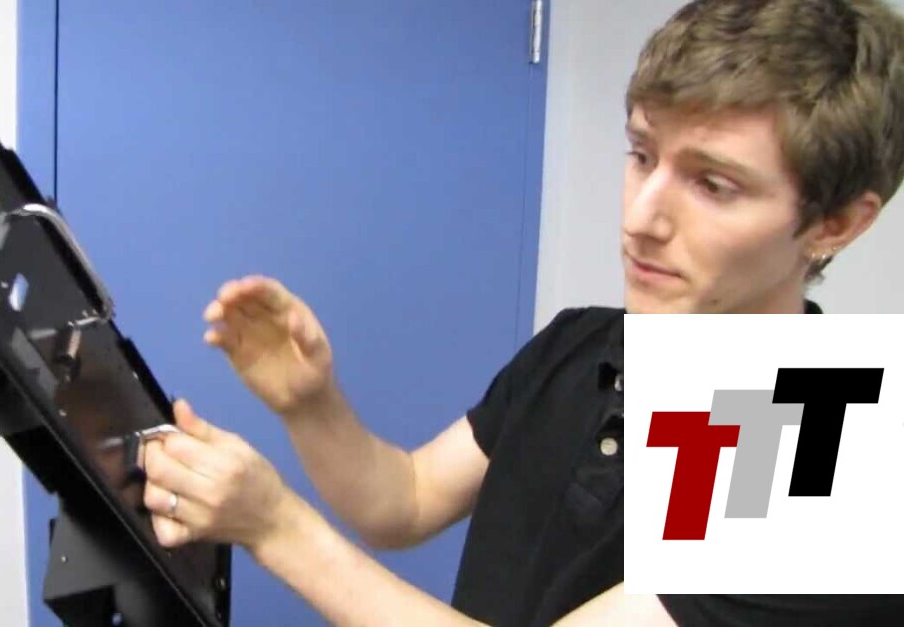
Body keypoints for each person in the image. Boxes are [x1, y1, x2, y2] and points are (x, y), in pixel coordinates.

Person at [138, 0, 904, 624]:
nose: (641, 216)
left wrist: (275, 526)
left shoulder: (834, 443)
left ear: (834, 223)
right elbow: (402, 499)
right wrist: (311, 405)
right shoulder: (582, 341)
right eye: (641, 154)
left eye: (712, 185)